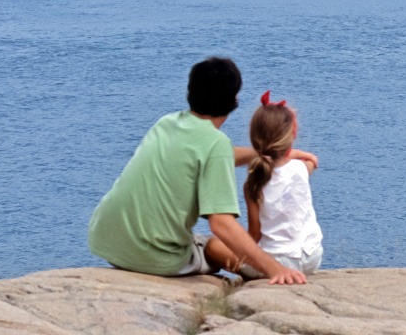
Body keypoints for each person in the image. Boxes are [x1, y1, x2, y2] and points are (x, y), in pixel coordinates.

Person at [87, 57, 312, 285]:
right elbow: (221, 224)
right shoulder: (216, 144)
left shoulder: (166, 123)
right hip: (155, 258)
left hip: (109, 242)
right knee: (215, 246)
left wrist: (262, 154)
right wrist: (275, 269)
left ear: (190, 92)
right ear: (233, 101)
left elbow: (208, 156)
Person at [237, 91, 324, 279]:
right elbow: (312, 160)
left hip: (279, 262)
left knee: (216, 248)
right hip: (312, 256)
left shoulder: (253, 183)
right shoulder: (301, 168)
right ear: (292, 135)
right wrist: (298, 153)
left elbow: (255, 234)